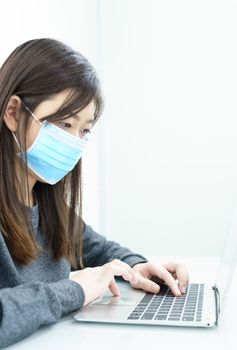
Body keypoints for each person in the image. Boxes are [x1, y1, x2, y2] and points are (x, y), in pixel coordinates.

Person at [0, 38, 189, 348]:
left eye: (84, 130)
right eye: (64, 123)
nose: (74, 143)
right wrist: (75, 290)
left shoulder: (45, 200)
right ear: (13, 112)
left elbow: (97, 249)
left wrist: (135, 266)